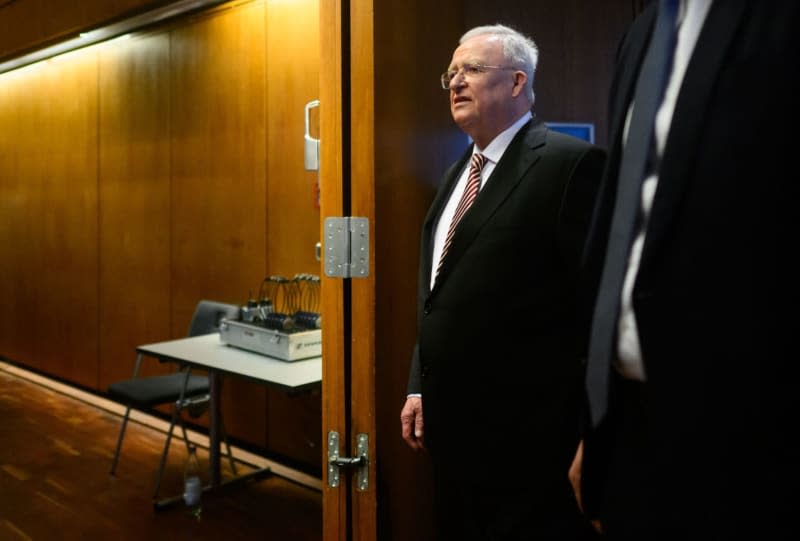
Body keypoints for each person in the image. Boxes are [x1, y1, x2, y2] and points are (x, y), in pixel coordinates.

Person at [578, 1, 800, 540]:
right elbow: (626, 231)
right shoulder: (643, 33)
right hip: (634, 434)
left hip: (752, 444)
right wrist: (598, 427)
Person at [400, 23, 605, 540]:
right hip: (450, 439)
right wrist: (419, 385)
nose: (455, 82)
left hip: (530, 447)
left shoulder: (569, 165)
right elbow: (437, 296)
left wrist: (594, 435)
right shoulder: (454, 176)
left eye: (470, 69)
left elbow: (595, 309)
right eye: (450, 72)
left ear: (517, 82)